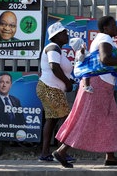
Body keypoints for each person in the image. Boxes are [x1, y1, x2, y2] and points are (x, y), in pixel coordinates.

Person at [51, 16, 117, 168]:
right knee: (87, 118)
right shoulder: (105, 39)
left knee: (110, 119)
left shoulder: (104, 38)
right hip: (98, 85)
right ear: (106, 28)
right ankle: (61, 151)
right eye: (114, 25)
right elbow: (105, 59)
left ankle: (111, 157)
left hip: (101, 85)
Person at [36, 22, 76, 163]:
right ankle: (61, 153)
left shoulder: (57, 49)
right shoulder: (53, 48)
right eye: (64, 33)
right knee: (64, 119)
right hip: (50, 88)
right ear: (57, 36)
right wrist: (67, 83)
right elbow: (54, 67)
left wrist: (70, 80)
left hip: (50, 88)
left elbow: (59, 68)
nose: (67, 35)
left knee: (52, 120)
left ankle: (45, 154)